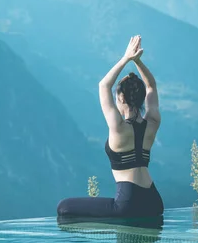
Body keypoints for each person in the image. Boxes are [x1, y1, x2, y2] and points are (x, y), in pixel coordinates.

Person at [57, 35, 164, 219]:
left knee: (63, 207)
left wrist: (126, 58)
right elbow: (151, 85)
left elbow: (103, 85)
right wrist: (137, 61)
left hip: (127, 204)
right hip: (154, 202)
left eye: (117, 97)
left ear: (121, 99)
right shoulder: (152, 123)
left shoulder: (118, 127)